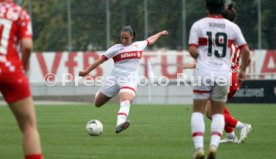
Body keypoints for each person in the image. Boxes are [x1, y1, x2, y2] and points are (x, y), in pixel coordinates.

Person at [188, 0, 251, 159]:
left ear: (207, 7)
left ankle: (241, 126)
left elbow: (200, 52)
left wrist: (196, 63)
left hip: (218, 74)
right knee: (216, 108)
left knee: (208, 111)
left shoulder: (203, 27)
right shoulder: (233, 33)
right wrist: (243, 71)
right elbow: (246, 54)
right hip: (230, 76)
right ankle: (229, 135)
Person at [79, 26, 168, 134]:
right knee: (97, 103)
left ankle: (120, 124)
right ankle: (107, 91)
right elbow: (99, 61)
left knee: (125, 100)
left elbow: (150, 39)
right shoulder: (115, 48)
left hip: (130, 79)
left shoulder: (138, 45)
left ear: (132, 36)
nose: (124, 40)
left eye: (126, 38)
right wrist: (86, 71)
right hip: (114, 79)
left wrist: (160, 33)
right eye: (122, 38)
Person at [0, 0, 43, 159]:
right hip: (11, 70)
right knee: (29, 126)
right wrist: (23, 67)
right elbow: (27, 45)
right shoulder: (20, 13)